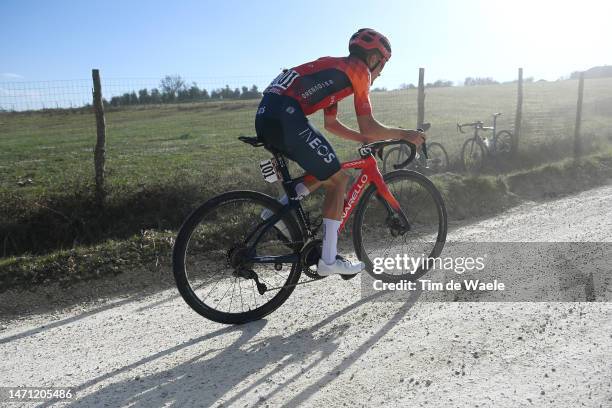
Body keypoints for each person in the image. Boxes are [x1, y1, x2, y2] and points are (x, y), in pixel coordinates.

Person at [255, 28, 426, 276]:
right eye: (382, 65)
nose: (379, 73)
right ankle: (328, 259)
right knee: (339, 179)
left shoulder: (336, 70)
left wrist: (365, 140)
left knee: (328, 170)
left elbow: (331, 124)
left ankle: (277, 211)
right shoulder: (360, 71)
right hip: (286, 115)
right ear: (374, 58)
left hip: (268, 115)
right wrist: (405, 134)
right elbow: (368, 125)